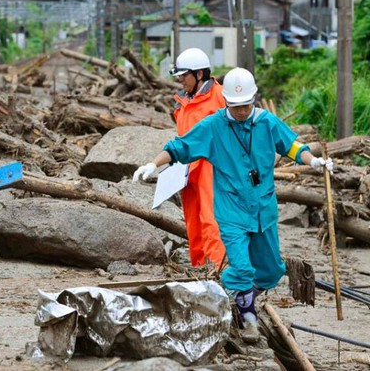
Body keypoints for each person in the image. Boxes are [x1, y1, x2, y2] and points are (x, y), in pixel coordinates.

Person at [133, 67, 334, 343]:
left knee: (273, 270)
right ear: (226, 101)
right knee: (241, 268)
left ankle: (233, 294)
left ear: (255, 100)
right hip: (231, 211)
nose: (241, 111)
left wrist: (314, 161)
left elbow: (292, 146)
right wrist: (153, 164)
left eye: (246, 105)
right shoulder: (213, 126)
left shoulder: (266, 122)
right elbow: (180, 147)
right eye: (236, 106)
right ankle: (248, 317)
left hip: (263, 209)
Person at [137, 47, 227, 269]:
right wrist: (157, 164)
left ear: (199, 74)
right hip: (187, 168)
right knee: (193, 222)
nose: (180, 80)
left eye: (183, 75)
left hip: (212, 166)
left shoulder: (221, 97)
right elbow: (182, 139)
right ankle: (199, 268)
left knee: (212, 219)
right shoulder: (183, 102)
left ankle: (219, 271)